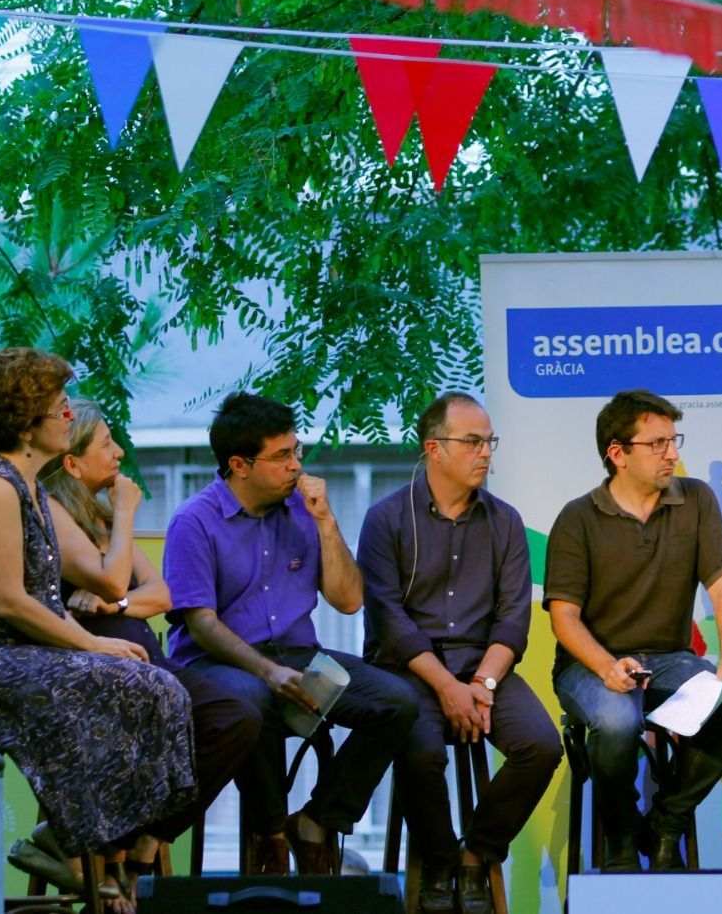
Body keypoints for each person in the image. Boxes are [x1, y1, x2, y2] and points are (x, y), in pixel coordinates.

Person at [0, 349, 196, 914]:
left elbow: (55, 600)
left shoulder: (31, 489)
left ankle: (109, 851)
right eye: (61, 407)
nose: (70, 415)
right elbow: (10, 602)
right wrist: (93, 642)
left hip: (23, 650)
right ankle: (77, 848)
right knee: (116, 681)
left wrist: (101, 644)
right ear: (27, 422)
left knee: (162, 688)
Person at [163, 391, 418, 876]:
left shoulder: (303, 510)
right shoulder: (194, 521)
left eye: (296, 451)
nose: (296, 465)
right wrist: (267, 671)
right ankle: (270, 835)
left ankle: (318, 820)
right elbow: (201, 624)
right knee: (250, 699)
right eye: (282, 456)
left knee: (396, 702)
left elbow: (348, 600)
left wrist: (326, 521)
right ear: (239, 465)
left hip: (299, 657)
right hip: (219, 664)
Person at [41, 400, 262, 894]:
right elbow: (115, 575)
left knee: (236, 717)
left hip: (151, 665)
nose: (119, 453)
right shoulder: (54, 516)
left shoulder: (98, 519)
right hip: (104, 675)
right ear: (72, 463)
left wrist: (115, 603)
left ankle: (148, 836)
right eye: (107, 445)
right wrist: (124, 513)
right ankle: (110, 859)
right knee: (150, 723)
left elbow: (162, 595)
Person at [358, 393, 562, 914]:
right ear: (434, 448)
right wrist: (447, 687)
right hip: (410, 670)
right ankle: (438, 860)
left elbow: (512, 619)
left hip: (481, 666)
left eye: (489, 442)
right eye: (472, 442)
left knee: (541, 745)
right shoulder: (385, 520)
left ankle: (476, 855)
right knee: (420, 750)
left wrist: (482, 685)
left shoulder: (504, 521)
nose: (485, 453)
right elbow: (389, 623)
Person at [544, 389, 722, 871]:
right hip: (590, 663)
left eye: (673, 440)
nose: (671, 453)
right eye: (657, 443)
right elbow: (564, 618)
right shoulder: (578, 518)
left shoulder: (696, 499)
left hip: (669, 659)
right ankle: (620, 838)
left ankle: (667, 822)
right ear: (617, 454)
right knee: (618, 720)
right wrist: (606, 667)